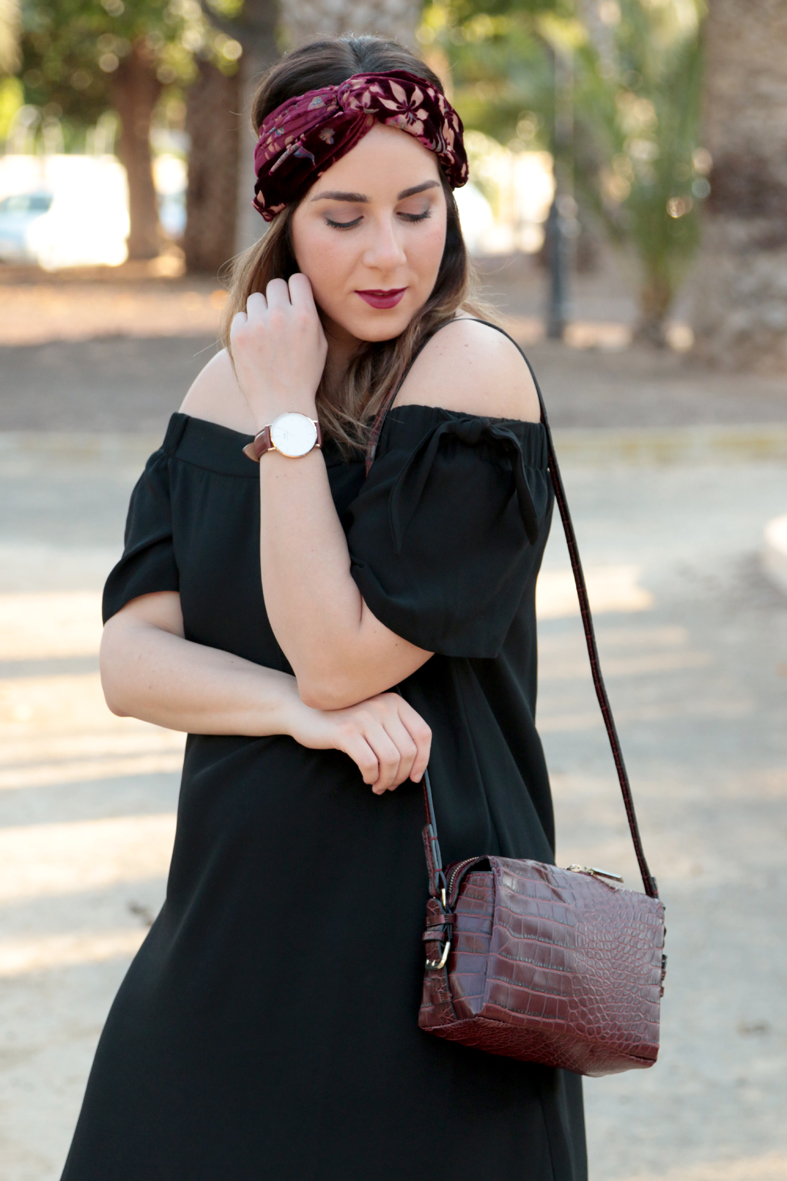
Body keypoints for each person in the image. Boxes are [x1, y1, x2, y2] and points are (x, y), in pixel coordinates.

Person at [60, 34, 587, 1181]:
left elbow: (341, 658)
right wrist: (300, 715)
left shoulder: (470, 372)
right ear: (284, 219)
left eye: (416, 208)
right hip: (228, 921)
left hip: (429, 953)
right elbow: (131, 660)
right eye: (342, 216)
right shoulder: (223, 385)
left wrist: (289, 425)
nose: (388, 252)